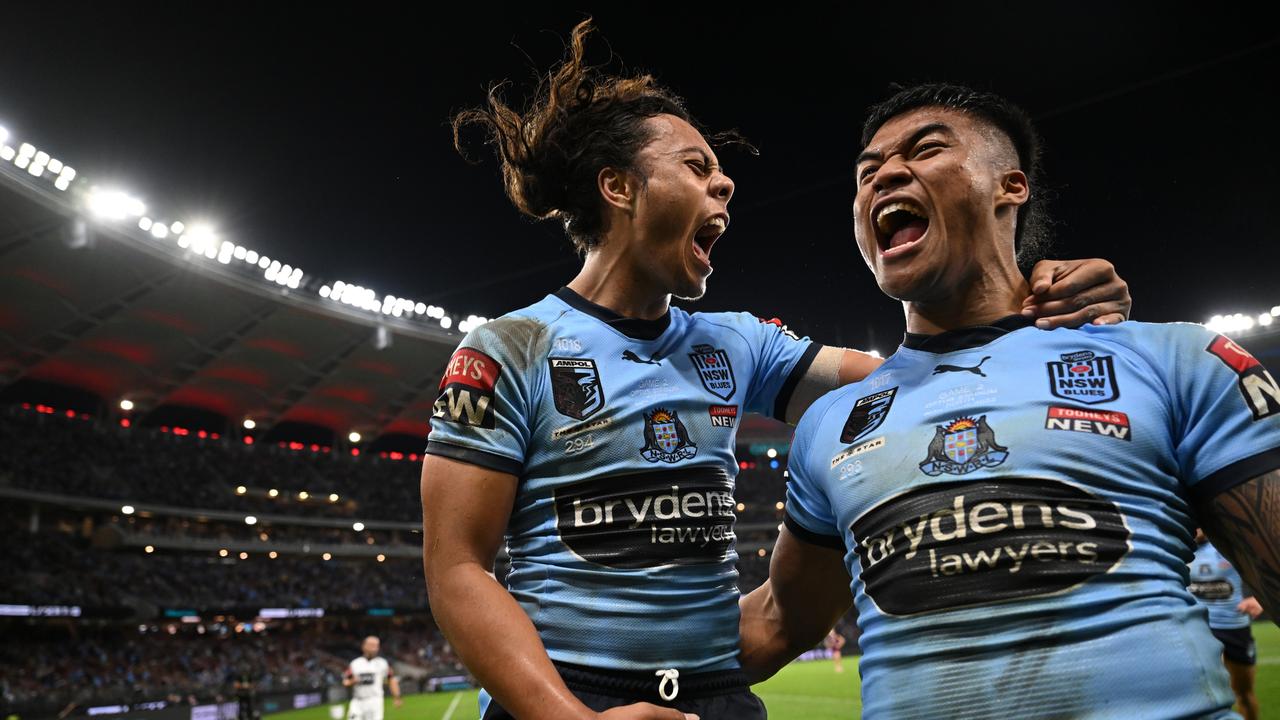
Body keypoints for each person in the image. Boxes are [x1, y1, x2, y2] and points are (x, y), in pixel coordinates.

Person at [421, 20, 1132, 720]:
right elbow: (457, 567)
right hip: (568, 698)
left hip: (718, 696)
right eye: (697, 167)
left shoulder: (735, 343)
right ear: (619, 188)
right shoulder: (507, 348)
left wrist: (1040, 303)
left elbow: (910, 379)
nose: (725, 185)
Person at [738, 81, 1280, 719]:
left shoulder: (1177, 360)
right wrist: (595, 679)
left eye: (925, 149)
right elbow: (776, 622)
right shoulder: (832, 421)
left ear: (1010, 186)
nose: (883, 177)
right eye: (867, 172)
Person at [1191, 529, 1265, 720]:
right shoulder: (1179, 549)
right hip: (1202, 628)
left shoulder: (1228, 545)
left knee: (1244, 695)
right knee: (1209, 698)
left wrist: (1259, 598)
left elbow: (1261, 564)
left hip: (1235, 627)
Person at [343, 636, 401, 720]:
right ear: (363, 646)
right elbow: (346, 681)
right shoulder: (355, 663)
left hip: (375, 701)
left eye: (376, 646)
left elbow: (391, 680)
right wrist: (352, 681)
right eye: (371, 645)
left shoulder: (382, 663)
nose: (373, 648)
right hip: (357, 701)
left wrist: (396, 697)